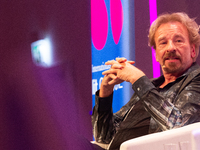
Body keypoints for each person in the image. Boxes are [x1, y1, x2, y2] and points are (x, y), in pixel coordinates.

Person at [92, 12, 200, 150]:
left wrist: (137, 79)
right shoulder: (151, 86)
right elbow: (104, 138)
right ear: (156, 55)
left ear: (192, 50)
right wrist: (105, 92)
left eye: (178, 40)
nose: (170, 48)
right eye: (163, 42)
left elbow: (178, 127)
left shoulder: (196, 79)